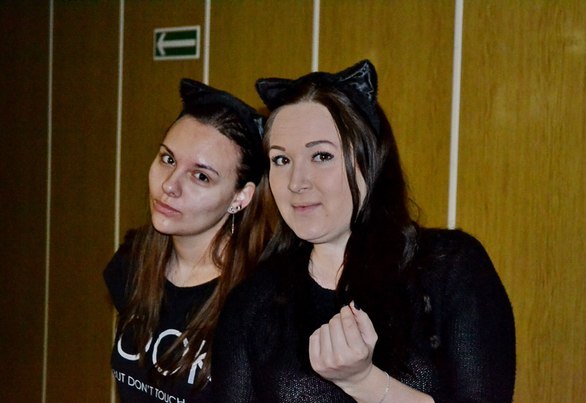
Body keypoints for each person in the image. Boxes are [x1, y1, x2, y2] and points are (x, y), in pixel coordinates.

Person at [211, 60, 516, 402]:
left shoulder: (450, 267)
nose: (297, 182)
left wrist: (364, 382)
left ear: (370, 161)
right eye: (282, 160)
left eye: (321, 156)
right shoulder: (254, 301)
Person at [103, 78, 270, 402]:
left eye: (201, 176)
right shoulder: (133, 261)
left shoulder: (262, 300)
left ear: (240, 197)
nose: (169, 185)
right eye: (168, 159)